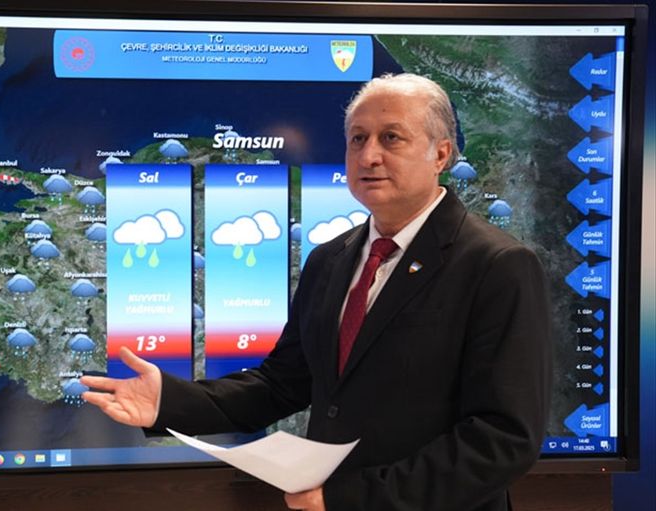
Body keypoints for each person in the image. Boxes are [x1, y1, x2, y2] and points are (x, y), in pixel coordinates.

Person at [81, 73, 552, 511]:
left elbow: (502, 439)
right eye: (358, 139)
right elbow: (282, 384)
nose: (369, 156)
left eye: (391, 137)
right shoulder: (331, 259)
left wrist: (351, 499)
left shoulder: (496, 266)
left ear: (441, 154)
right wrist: (169, 402)